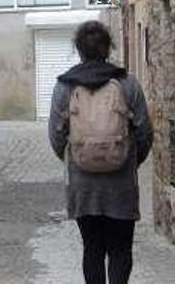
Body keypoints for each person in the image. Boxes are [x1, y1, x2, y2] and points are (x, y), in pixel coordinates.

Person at [49, 21, 153, 284]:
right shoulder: (128, 84)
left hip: (83, 187)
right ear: (109, 48)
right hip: (121, 186)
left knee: (92, 250)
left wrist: (77, 159)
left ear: (79, 50)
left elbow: (56, 137)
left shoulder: (64, 87)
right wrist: (127, 160)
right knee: (120, 250)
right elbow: (144, 134)